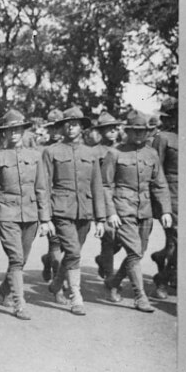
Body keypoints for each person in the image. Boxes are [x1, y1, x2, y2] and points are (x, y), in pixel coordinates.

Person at [0, 110, 54, 320]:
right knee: (16, 258)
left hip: (30, 214)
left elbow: (41, 188)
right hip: (7, 213)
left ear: (23, 130)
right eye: (9, 130)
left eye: (17, 129)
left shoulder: (35, 156)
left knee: (21, 260)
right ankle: (19, 303)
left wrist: (46, 219)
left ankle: (5, 289)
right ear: (4, 133)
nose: (13, 133)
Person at [101, 111, 173, 312]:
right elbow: (105, 185)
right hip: (123, 207)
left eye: (143, 132)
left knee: (138, 252)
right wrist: (111, 212)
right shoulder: (115, 153)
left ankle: (114, 282)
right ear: (128, 131)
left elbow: (160, 184)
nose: (139, 135)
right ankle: (140, 296)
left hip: (145, 209)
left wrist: (166, 210)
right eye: (135, 131)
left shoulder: (152, 154)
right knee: (133, 251)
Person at [40, 106, 108, 315]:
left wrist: (101, 218)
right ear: (62, 127)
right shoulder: (51, 151)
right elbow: (43, 186)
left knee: (72, 254)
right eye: (67, 124)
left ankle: (56, 284)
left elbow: (97, 186)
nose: (71, 128)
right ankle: (76, 296)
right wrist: (45, 218)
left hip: (84, 211)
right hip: (60, 211)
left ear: (82, 128)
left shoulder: (91, 153)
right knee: (74, 252)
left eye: (75, 124)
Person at [150, 97, 179, 299]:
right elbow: (155, 170)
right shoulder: (163, 138)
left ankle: (162, 259)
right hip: (171, 194)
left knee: (175, 243)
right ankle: (163, 279)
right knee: (179, 239)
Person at [90, 111, 123, 281]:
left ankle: (103, 259)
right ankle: (110, 279)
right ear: (100, 131)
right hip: (102, 199)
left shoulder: (123, 149)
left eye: (115, 127)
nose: (113, 130)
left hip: (122, 198)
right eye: (108, 128)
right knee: (109, 238)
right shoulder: (94, 151)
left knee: (123, 239)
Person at [39, 108, 66, 282]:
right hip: (51, 202)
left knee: (65, 245)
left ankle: (47, 259)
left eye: (59, 128)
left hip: (68, 204)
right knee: (55, 242)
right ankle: (58, 281)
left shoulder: (68, 149)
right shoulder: (42, 150)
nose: (55, 132)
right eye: (52, 128)